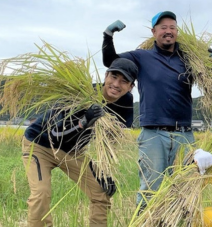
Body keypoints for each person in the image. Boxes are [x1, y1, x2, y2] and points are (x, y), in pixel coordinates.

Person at [102, 11, 212, 208]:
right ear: (154, 32)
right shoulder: (141, 57)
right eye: (163, 28)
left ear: (177, 32)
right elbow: (111, 61)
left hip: (184, 135)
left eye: (172, 27)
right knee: (150, 191)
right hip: (153, 134)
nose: (168, 31)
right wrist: (108, 35)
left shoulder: (189, 59)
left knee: (184, 191)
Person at [22, 58, 138, 227]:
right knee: (41, 194)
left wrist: (105, 173)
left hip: (73, 151)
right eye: (113, 77)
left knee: (101, 193)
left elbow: (110, 140)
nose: (116, 84)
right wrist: (84, 121)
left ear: (130, 87)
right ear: (105, 75)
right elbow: (55, 135)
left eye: (124, 81)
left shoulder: (125, 102)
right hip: (40, 145)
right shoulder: (80, 94)